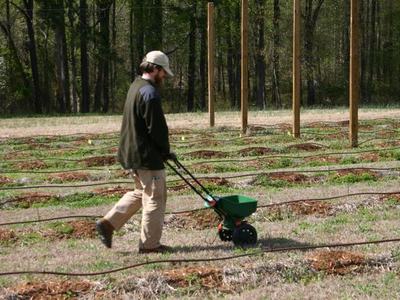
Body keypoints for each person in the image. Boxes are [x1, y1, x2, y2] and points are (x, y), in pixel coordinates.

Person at [96, 50, 175, 254]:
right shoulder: (150, 93)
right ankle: (150, 245)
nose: (164, 76)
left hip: (131, 154)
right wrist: (165, 151)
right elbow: (156, 128)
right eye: (163, 72)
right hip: (146, 156)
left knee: (141, 193)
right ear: (155, 69)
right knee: (155, 199)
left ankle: (108, 223)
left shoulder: (135, 86)